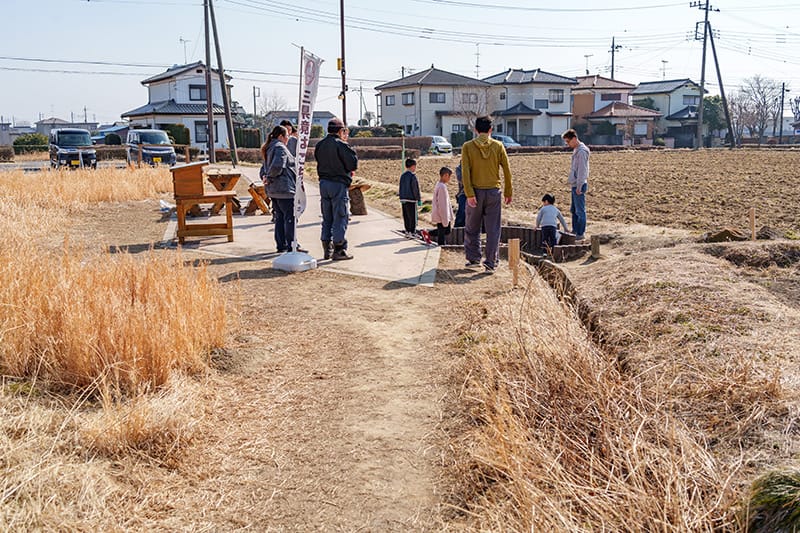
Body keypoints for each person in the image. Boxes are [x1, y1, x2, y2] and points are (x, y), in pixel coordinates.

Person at [461, 115, 513, 274]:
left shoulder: (467, 147)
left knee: (472, 227)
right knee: (493, 229)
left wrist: (469, 193)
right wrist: (508, 191)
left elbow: (465, 172)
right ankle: (490, 263)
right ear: (491, 129)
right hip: (493, 193)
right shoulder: (498, 146)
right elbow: (507, 170)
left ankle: (473, 259)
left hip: (474, 192)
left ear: (475, 129)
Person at [314, 117, 358, 260]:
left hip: (323, 183)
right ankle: (339, 249)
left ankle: (327, 247)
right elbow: (352, 164)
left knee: (327, 217)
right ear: (340, 131)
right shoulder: (341, 145)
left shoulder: (320, 145)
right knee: (340, 216)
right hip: (338, 183)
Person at [262, 125, 306, 254]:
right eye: (287, 136)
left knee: (280, 217)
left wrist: (266, 178)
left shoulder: (269, 148)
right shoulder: (280, 148)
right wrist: (269, 177)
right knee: (290, 217)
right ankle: (292, 244)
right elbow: (277, 166)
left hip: (274, 190)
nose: (288, 138)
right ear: (281, 136)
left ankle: (281, 244)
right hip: (284, 189)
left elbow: (264, 168)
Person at [562, 128, 590, 241]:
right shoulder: (576, 150)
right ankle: (575, 231)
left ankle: (580, 233)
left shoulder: (582, 151)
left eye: (568, 141)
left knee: (579, 210)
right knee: (574, 210)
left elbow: (582, 171)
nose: (568, 144)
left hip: (579, 185)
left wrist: (579, 186)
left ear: (574, 138)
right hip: (575, 184)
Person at [426, 166, 454, 246]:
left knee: (445, 230)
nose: (449, 179)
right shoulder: (442, 187)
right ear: (445, 175)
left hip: (441, 213)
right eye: (449, 176)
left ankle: (428, 233)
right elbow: (442, 204)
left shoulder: (440, 185)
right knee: (443, 232)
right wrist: (444, 216)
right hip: (441, 214)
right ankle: (441, 246)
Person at [398, 158, 421, 234]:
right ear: (412, 166)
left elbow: (400, 187)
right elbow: (415, 188)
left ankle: (407, 231)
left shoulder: (402, 176)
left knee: (406, 216)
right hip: (411, 199)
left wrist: (401, 197)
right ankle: (412, 231)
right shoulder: (412, 176)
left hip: (403, 199)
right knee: (412, 217)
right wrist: (418, 199)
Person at [454, 162, 466, 228]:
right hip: (463, 193)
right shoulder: (459, 168)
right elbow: (462, 180)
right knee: (461, 212)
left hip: (474, 193)